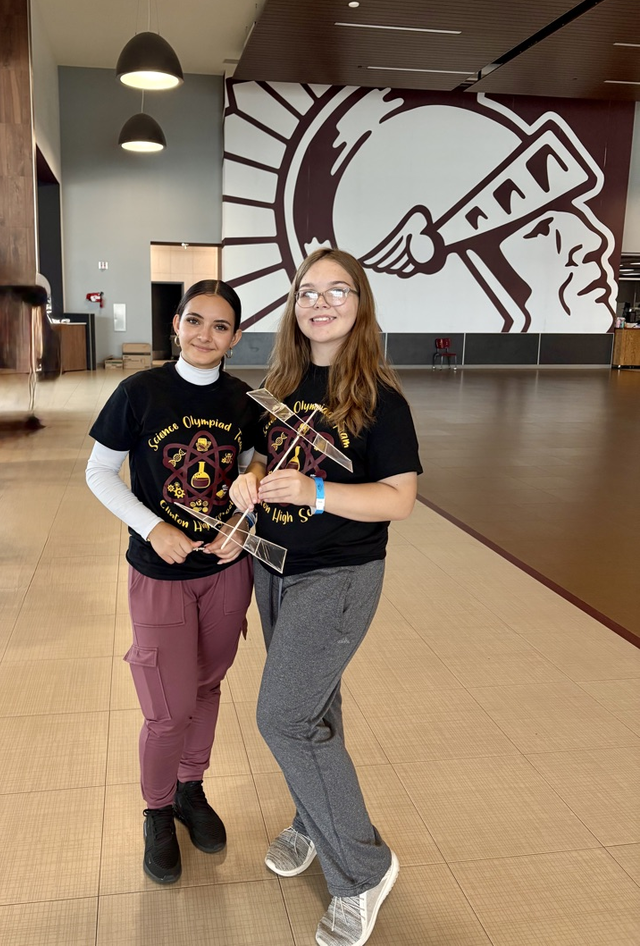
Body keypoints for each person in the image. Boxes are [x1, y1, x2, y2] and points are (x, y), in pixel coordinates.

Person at [230, 249, 422, 946]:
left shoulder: (379, 399)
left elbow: (399, 499)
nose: (320, 302)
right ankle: (314, 820)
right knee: (313, 705)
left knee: (281, 717)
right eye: (308, 292)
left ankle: (364, 869)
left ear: (360, 305)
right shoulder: (280, 384)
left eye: (337, 291)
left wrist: (316, 491)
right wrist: (246, 484)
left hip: (337, 577)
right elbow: (258, 455)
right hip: (273, 567)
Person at [86, 279, 260, 885]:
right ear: (176, 326)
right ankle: (156, 810)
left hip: (224, 573)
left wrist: (241, 524)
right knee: (167, 707)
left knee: (207, 688)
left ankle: (191, 790)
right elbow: (99, 471)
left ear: (235, 336)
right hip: (159, 574)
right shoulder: (139, 392)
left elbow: (255, 471)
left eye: (220, 326)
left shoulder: (245, 400)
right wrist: (152, 525)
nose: (205, 335)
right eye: (195, 321)